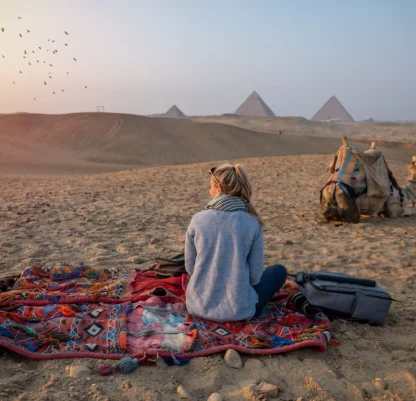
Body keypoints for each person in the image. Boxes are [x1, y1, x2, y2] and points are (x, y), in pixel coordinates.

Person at [184, 163, 287, 322]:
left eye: (210, 186)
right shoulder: (252, 224)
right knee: (278, 271)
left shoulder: (198, 219)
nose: (209, 191)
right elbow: (255, 277)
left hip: (198, 306)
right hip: (238, 311)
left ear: (218, 189)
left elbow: (190, 267)